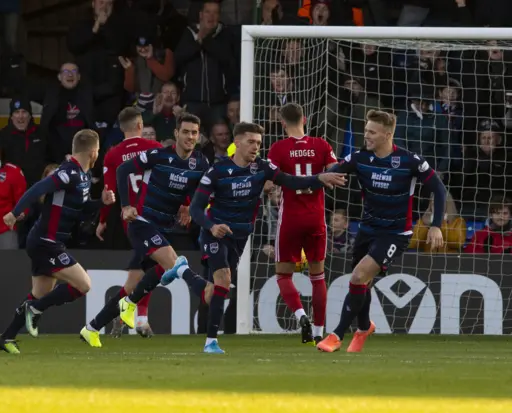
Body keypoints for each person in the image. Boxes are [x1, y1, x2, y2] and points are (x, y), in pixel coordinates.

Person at [171, 122, 347, 354]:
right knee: (223, 279)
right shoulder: (217, 171)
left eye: (258, 143)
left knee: (214, 291)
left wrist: (319, 179)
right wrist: (212, 227)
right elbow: (195, 209)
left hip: (239, 237)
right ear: (237, 143)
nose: (256, 147)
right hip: (214, 233)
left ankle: (182, 271)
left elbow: (290, 181)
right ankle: (211, 342)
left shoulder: (262, 168)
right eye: (251, 142)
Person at [317, 110, 447, 354]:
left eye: (371, 132)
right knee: (361, 281)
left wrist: (436, 225)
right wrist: (324, 176)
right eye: (366, 130)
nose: (366, 135)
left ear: (388, 135)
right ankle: (364, 326)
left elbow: (438, 190)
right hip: (367, 230)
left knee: (357, 277)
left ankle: (336, 335)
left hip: (395, 234)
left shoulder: (410, 161)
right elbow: (335, 170)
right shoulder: (360, 158)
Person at [80, 113, 211, 348]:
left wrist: (189, 205)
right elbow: (122, 170)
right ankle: (202, 288)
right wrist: (126, 205)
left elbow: (202, 190)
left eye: (194, 132)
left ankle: (92, 327)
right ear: (176, 134)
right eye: (186, 132)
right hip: (140, 222)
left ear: (198, 135)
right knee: (174, 261)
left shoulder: (200, 163)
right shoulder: (158, 154)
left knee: (135, 285)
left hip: (163, 227)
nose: (190, 136)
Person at [0, 129, 115, 354]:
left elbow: (81, 208)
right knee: (84, 285)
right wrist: (15, 212)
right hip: (45, 241)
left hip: (50, 241)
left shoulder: (84, 176)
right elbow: (38, 188)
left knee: (39, 294)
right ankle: (35, 310)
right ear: (93, 152)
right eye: (98, 151)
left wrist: (102, 202)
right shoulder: (68, 172)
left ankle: (7, 337)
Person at [267, 103, 338, 345]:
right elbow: (336, 174)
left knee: (283, 275)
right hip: (316, 217)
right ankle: (319, 332)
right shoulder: (322, 145)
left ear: (282, 123)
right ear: (305, 120)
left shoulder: (278, 148)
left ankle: (301, 316)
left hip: (291, 218)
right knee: (317, 276)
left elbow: (269, 182)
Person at [96, 107, 162, 337]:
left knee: (148, 269)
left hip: (128, 218)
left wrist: (103, 220)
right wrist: (184, 204)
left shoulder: (112, 154)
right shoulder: (155, 148)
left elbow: (108, 193)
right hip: (152, 215)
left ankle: (131, 316)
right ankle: (130, 316)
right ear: (140, 125)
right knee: (155, 267)